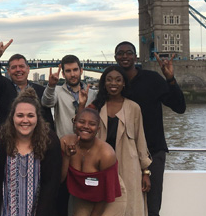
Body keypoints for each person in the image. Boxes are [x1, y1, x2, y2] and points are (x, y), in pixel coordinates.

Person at [114, 41, 186, 216]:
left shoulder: (152, 79)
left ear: (136, 56)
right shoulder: (113, 83)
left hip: (153, 151)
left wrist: (170, 79)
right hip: (124, 153)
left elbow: (179, 107)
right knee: (124, 205)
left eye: (128, 52)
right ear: (115, 57)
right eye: (120, 53)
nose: (125, 56)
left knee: (153, 207)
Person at [0, 88, 62, 216]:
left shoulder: (50, 141)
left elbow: (52, 184)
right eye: (20, 115)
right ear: (12, 117)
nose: (25, 120)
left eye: (30, 116)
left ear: (37, 118)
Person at [90, 65, 152, 216]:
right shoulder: (96, 107)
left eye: (118, 80)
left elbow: (141, 140)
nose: (114, 83)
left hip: (129, 165)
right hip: (102, 166)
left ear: (124, 83)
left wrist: (145, 172)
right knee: (103, 207)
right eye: (109, 80)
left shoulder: (134, 108)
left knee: (131, 207)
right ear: (104, 83)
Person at [42, 54, 98, 215]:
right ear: (63, 74)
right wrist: (51, 86)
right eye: (68, 71)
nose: (72, 74)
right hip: (63, 150)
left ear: (81, 70)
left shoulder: (92, 93)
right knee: (62, 194)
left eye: (75, 70)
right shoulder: (58, 92)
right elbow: (46, 103)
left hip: (87, 151)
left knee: (85, 195)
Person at [60, 108, 125, 216]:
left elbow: (106, 193)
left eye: (92, 124)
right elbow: (60, 179)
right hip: (83, 193)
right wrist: (66, 157)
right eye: (81, 122)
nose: (86, 126)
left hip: (108, 196)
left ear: (98, 129)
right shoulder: (65, 142)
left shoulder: (106, 153)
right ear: (75, 123)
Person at [0, 37, 54, 128]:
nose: (18, 70)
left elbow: (48, 120)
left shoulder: (41, 91)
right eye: (14, 67)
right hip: (7, 137)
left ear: (28, 69)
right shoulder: (2, 87)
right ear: (8, 71)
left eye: (21, 66)